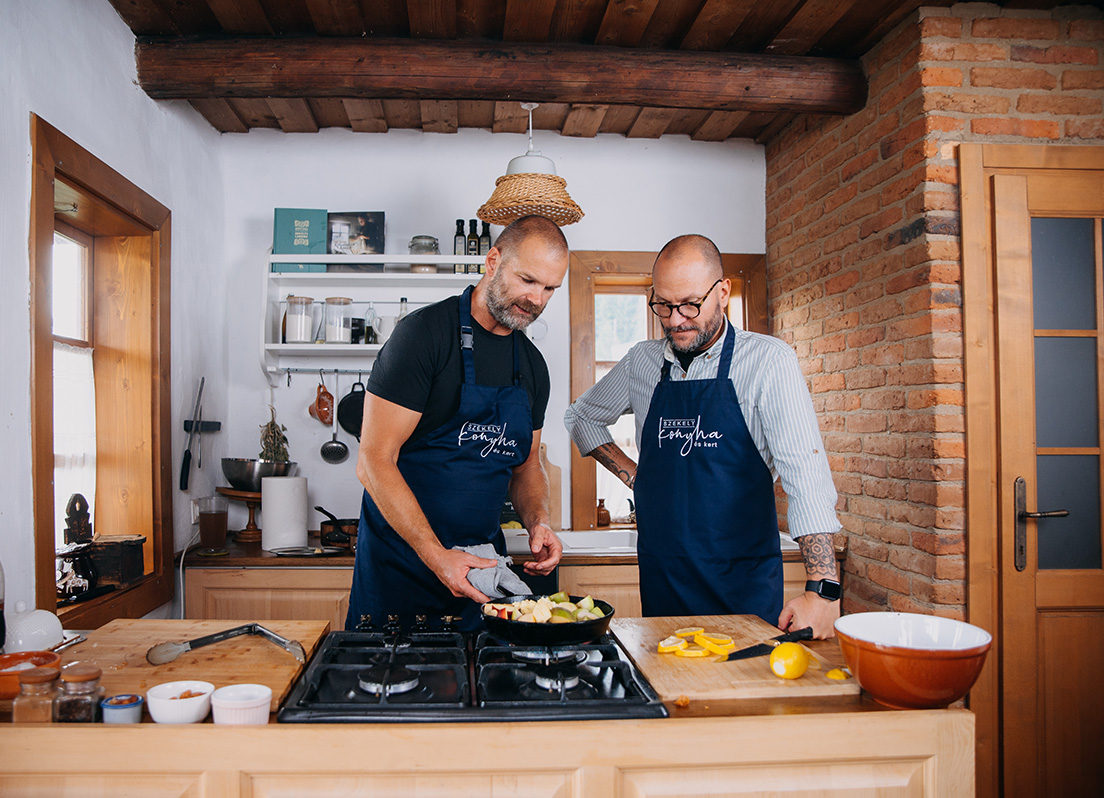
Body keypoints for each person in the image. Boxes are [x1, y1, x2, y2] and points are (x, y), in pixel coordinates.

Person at [564, 235, 843, 638]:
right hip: (663, 583)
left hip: (742, 588)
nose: (676, 319)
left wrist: (822, 590)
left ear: (723, 292)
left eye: (691, 304)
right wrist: (636, 477)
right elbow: (581, 416)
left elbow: (807, 478)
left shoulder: (768, 361)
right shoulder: (641, 362)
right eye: (663, 305)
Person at [347, 215, 570, 631]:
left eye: (549, 288)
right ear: (493, 261)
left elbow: (526, 466)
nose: (536, 299)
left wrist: (539, 520)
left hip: (481, 582)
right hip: (400, 576)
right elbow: (373, 460)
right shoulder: (423, 337)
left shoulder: (532, 367)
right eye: (527, 280)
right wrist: (437, 557)